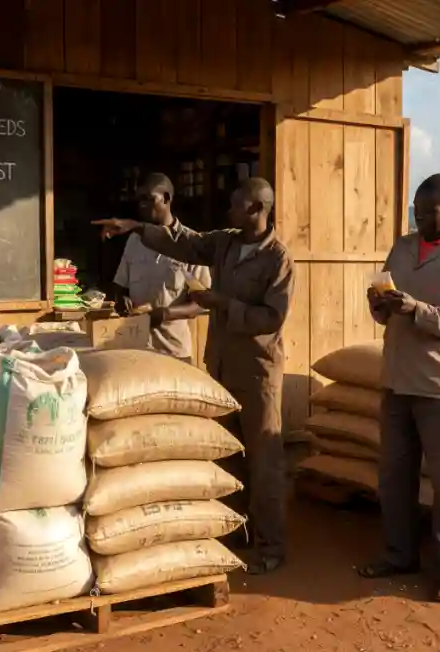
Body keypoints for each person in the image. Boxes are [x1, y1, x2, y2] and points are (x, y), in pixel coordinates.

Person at [93, 177, 294, 575]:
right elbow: (183, 242)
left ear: (257, 209)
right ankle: (238, 530)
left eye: (236, 205)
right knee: (229, 457)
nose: (229, 212)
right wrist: (135, 227)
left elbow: (271, 318)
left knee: (263, 461)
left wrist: (221, 302)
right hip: (220, 364)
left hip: (257, 372)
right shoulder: (226, 242)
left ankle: (272, 544)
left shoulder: (278, 260)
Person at [358, 173, 440, 603]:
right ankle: (399, 555)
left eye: (426, 211)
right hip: (397, 377)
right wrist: (380, 305)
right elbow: (386, 305)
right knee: (394, 476)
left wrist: (417, 310)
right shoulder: (402, 246)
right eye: (415, 210)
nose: (417, 217)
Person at [112, 173, 210, 364]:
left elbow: (202, 303)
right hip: (136, 350)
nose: (141, 205)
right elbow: (120, 285)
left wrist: (166, 314)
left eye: (148, 199)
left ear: (166, 199)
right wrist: (121, 298)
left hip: (174, 352)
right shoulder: (134, 240)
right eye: (138, 200)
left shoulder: (191, 244)